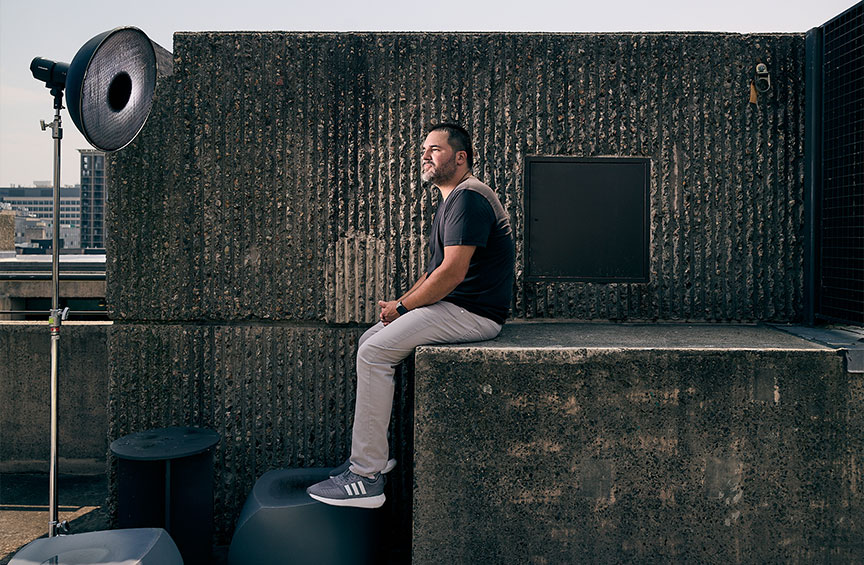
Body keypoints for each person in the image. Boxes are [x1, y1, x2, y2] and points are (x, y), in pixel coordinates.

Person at [307, 123, 515, 508]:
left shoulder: (469, 199)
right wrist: (398, 305)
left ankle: (366, 476)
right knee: (370, 339)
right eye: (423, 150)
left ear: (460, 157)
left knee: (374, 354)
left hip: (474, 313)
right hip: (455, 306)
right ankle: (374, 455)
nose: (424, 156)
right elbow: (433, 272)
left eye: (435, 149)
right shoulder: (454, 199)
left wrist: (403, 308)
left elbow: (451, 273)